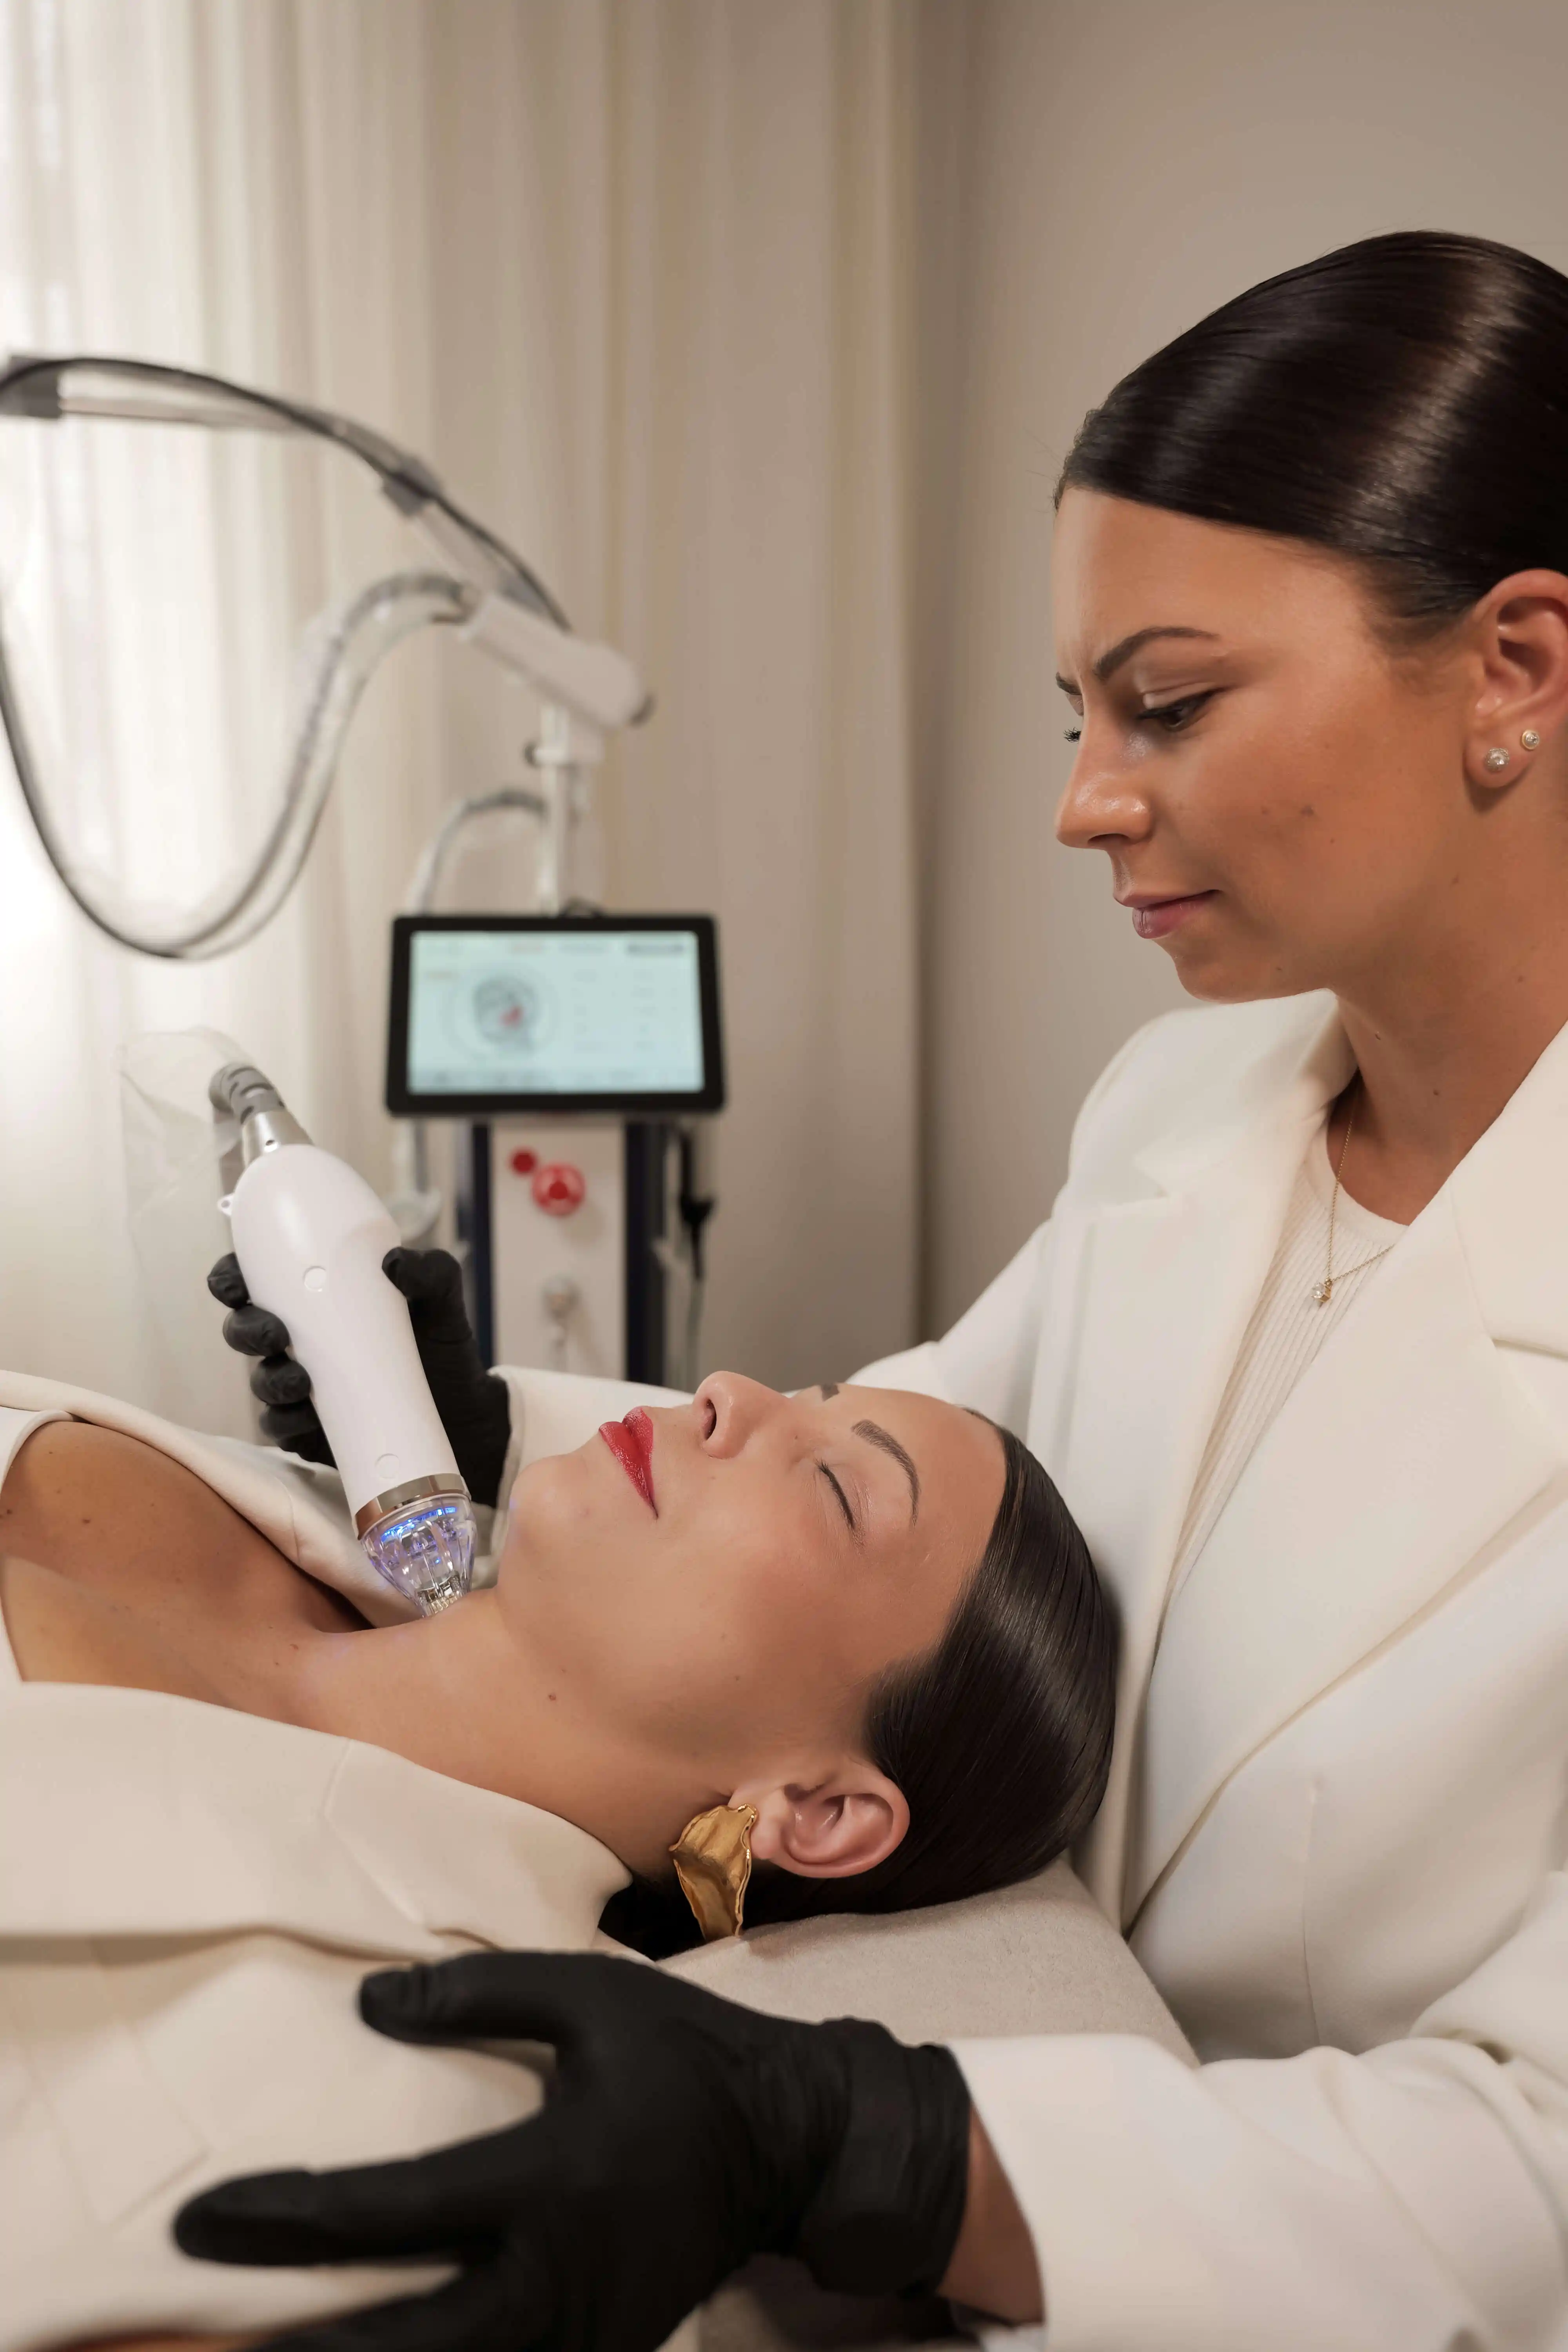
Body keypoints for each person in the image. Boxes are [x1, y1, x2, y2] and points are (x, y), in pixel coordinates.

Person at [182, 225, 1568, 2349]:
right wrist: (488, 1435)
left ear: (1516, 670)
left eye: (1169, 703)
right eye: (1076, 713)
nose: (1082, 802)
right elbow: (900, 1479)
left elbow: (1537, 2168)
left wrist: (881, 2151)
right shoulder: (1189, 1106)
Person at [0, 1354, 1111, 2347]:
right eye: (800, 1392)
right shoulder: (244, 1494)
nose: (724, 1391)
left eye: (835, 1486)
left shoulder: (438, 2105)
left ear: (816, 1811)